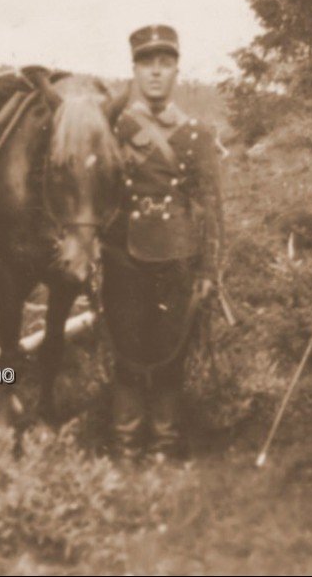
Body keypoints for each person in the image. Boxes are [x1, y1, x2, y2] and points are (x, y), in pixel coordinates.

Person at [101, 24, 224, 460]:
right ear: (134, 71)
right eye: (146, 64)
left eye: (164, 63)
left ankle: (164, 446)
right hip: (124, 255)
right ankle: (126, 445)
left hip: (178, 254)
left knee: (171, 351)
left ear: (176, 71)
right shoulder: (114, 127)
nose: (155, 72)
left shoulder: (195, 133)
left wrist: (208, 270)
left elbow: (210, 206)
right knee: (127, 349)